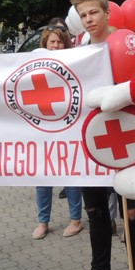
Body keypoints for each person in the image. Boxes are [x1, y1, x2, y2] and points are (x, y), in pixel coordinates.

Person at [67, 0, 135, 270]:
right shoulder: (78, 52)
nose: (89, 19)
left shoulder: (126, 45)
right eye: (83, 15)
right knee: (95, 212)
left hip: (127, 140)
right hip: (91, 144)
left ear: (107, 12)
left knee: (132, 211)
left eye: (94, 12)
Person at [34, 22, 84, 239]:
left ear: (66, 44)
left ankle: (75, 220)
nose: (55, 46)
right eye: (51, 42)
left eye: (59, 42)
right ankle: (43, 222)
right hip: (42, 127)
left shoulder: (74, 63)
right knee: (42, 178)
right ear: (45, 43)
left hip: (67, 127)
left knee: (70, 176)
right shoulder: (34, 64)